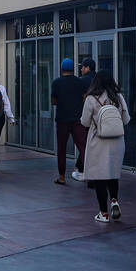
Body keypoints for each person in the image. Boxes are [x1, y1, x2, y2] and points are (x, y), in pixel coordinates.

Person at [80, 69, 131, 222]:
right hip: (117, 141)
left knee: (100, 176)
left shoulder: (91, 99)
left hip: (98, 141)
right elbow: (126, 119)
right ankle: (114, 200)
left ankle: (104, 213)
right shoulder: (119, 97)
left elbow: (85, 122)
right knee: (113, 175)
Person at [51, 57, 88, 185]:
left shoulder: (56, 83)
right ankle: (91, 175)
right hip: (78, 119)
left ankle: (61, 177)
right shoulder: (80, 82)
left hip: (62, 120)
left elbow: (53, 101)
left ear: (62, 69)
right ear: (73, 69)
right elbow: (85, 98)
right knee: (83, 147)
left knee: (61, 149)